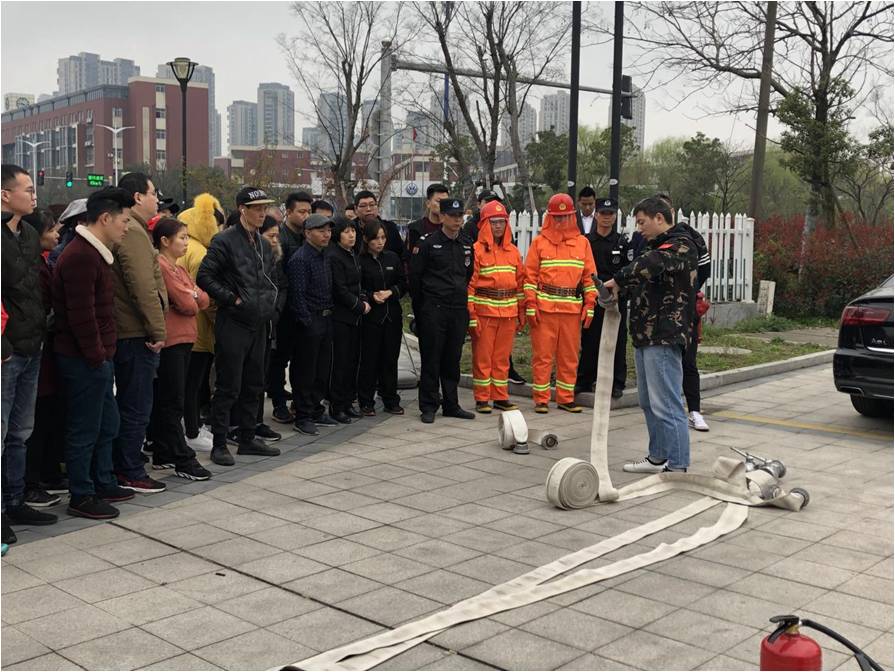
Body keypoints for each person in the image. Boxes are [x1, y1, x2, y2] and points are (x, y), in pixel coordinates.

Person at [54, 187, 139, 519]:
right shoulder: (80, 256)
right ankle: (81, 494)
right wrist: (97, 356)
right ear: (105, 218)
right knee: (84, 428)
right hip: (83, 359)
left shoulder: (96, 253)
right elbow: (81, 316)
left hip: (98, 357)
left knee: (107, 423)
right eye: (124, 220)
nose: (127, 227)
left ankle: (103, 481)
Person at [603, 196, 698, 474]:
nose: (639, 228)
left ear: (659, 218)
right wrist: (618, 290)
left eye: (642, 222)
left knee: (667, 403)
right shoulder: (654, 246)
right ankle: (658, 456)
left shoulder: (681, 245)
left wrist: (617, 279)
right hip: (645, 334)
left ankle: (677, 466)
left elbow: (652, 264)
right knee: (648, 402)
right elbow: (643, 280)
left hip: (664, 335)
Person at [197, 187, 280, 466]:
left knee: (254, 384)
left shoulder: (263, 244)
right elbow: (204, 276)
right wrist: (232, 299)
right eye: (257, 208)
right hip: (233, 322)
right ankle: (220, 443)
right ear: (242, 209)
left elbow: (270, 279)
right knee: (228, 385)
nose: (262, 213)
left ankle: (248, 438)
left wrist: (270, 306)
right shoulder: (224, 241)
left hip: (259, 322)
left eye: (264, 208)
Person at [1, 165, 57, 541]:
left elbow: (34, 289)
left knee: (21, 431)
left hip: (33, 344)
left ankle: (15, 500)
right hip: (7, 350)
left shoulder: (30, 233)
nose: (34, 195)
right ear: (5, 195)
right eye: (27, 189)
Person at [110, 172, 169, 493]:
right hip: (135, 333)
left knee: (133, 403)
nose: (156, 199)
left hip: (132, 330)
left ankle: (126, 463)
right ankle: (129, 469)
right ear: (137, 197)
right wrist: (157, 329)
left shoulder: (133, 229)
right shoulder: (132, 231)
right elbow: (143, 285)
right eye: (152, 193)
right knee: (136, 405)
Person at [147, 218, 212, 481]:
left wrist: (191, 294)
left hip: (185, 339)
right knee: (172, 401)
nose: (186, 242)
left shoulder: (179, 268)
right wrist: (191, 295)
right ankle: (180, 457)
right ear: (165, 240)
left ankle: (164, 452)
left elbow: (203, 299)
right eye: (182, 237)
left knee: (174, 397)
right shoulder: (161, 266)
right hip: (171, 341)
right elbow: (187, 304)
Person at [524, 193, 597, 414]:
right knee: (542, 356)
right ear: (550, 217)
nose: (561, 221)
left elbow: (590, 278)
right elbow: (530, 277)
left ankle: (566, 398)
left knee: (569, 356)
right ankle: (541, 399)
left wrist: (590, 305)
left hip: (571, 311)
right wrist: (530, 304)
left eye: (565, 216)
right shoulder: (539, 243)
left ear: (572, 217)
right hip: (544, 310)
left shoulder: (583, 243)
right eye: (557, 217)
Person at [409, 197, 475, 424]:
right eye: (453, 216)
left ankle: (451, 404)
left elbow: (467, 275)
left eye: (460, 216)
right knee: (432, 358)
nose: (457, 220)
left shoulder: (466, 243)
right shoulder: (428, 243)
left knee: (452, 358)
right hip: (434, 309)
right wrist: (422, 310)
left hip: (457, 308)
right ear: (443, 217)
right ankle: (428, 405)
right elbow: (415, 278)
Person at [655, 193, 712, 432]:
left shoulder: (691, 237)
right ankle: (665, 409)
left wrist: (687, 291)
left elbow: (705, 269)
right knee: (661, 363)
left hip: (685, 311)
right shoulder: (647, 238)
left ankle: (694, 411)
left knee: (688, 361)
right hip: (657, 315)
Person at [22, 209, 67, 507]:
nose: (56, 234)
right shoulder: (33, 268)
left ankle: (48, 472)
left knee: (49, 416)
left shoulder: (43, 263)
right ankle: (30, 482)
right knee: (33, 424)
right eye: (51, 230)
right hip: (37, 353)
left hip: (48, 354)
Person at [467, 199, 525, 414]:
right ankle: (482, 398)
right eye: (493, 222)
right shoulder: (476, 251)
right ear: (485, 224)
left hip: (508, 313)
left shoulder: (513, 251)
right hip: (484, 313)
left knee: (502, 359)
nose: (498, 226)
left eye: (502, 222)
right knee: (483, 358)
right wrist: (472, 316)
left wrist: (521, 312)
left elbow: (520, 283)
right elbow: (470, 286)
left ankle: (500, 397)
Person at [177, 193, 224, 451]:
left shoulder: (188, 249)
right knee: (193, 384)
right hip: (198, 331)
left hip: (187, 330)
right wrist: (220, 324)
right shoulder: (200, 252)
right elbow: (206, 298)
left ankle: (191, 426)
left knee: (190, 384)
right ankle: (192, 430)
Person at [575, 196, 631, 399]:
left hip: (615, 298)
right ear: (596, 215)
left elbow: (628, 271)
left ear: (615, 216)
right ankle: (585, 380)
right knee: (590, 338)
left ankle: (616, 383)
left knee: (617, 340)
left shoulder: (622, 243)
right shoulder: (586, 242)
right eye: (603, 213)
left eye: (610, 214)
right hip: (592, 297)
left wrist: (620, 291)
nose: (607, 217)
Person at [287, 214, 335, 436]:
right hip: (309, 321)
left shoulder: (324, 255)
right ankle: (302, 415)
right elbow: (297, 296)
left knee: (321, 370)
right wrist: (308, 322)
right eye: (321, 231)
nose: (326, 235)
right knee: (305, 371)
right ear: (307, 233)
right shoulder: (300, 259)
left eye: (329, 231)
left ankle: (316, 409)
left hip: (326, 318)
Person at [268, 191, 313, 424]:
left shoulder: (308, 236)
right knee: (280, 358)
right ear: (288, 212)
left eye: (309, 211)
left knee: (302, 358)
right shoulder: (280, 238)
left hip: (305, 306)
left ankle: (299, 400)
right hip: (285, 309)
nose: (306, 216)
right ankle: (278, 403)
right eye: (301, 211)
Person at [357, 220, 406, 416]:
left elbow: (403, 283)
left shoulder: (392, 258)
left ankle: (390, 399)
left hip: (392, 315)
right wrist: (371, 296)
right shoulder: (360, 261)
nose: (380, 242)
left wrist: (391, 292)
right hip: (371, 317)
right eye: (376, 238)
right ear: (366, 239)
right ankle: (366, 400)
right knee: (369, 360)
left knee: (390, 359)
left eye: (383, 238)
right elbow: (357, 287)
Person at [328, 217, 370, 423]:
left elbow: (358, 283)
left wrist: (363, 298)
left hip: (355, 317)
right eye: (346, 231)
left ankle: (347, 402)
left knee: (352, 361)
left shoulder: (353, 254)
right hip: (341, 317)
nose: (351, 235)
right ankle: (337, 406)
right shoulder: (334, 256)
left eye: (353, 231)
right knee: (340, 363)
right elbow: (339, 289)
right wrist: (359, 305)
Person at [354, 190, 404, 258]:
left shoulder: (390, 228)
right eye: (363, 206)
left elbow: (401, 254)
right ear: (355, 209)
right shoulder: (351, 229)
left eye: (372, 205)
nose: (368, 209)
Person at [407, 183, 449, 256]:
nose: (442, 205)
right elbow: (408, 257)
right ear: (428, 203)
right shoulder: (415, 229)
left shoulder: (452, 228)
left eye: (446, 202)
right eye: (439, 201)